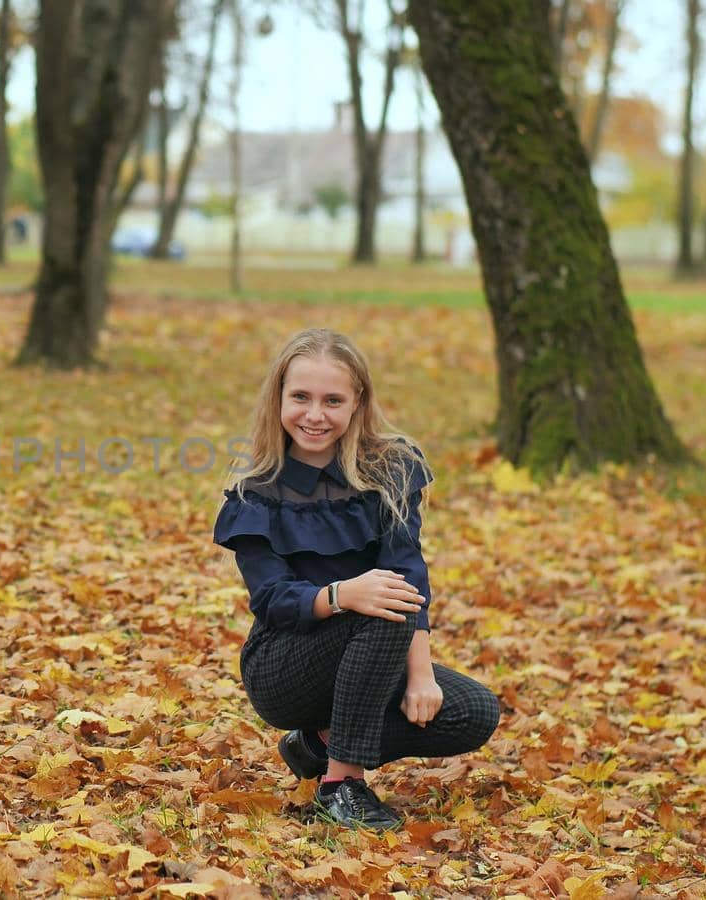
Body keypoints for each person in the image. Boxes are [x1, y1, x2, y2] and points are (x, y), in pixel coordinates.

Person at [212, 327, 500, 830]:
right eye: (300, 397)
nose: (315, 415)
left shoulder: (392, 469)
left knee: (473, 712)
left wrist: (421, 676)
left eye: (332, 400)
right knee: (382, 598)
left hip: (373, 651)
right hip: (285, 664)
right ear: (278, 397)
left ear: (357, 402)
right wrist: (343, 595)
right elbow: (273, 598)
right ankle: (341, 786)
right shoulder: (255, 491)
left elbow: (410, 574)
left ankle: (316, 745)